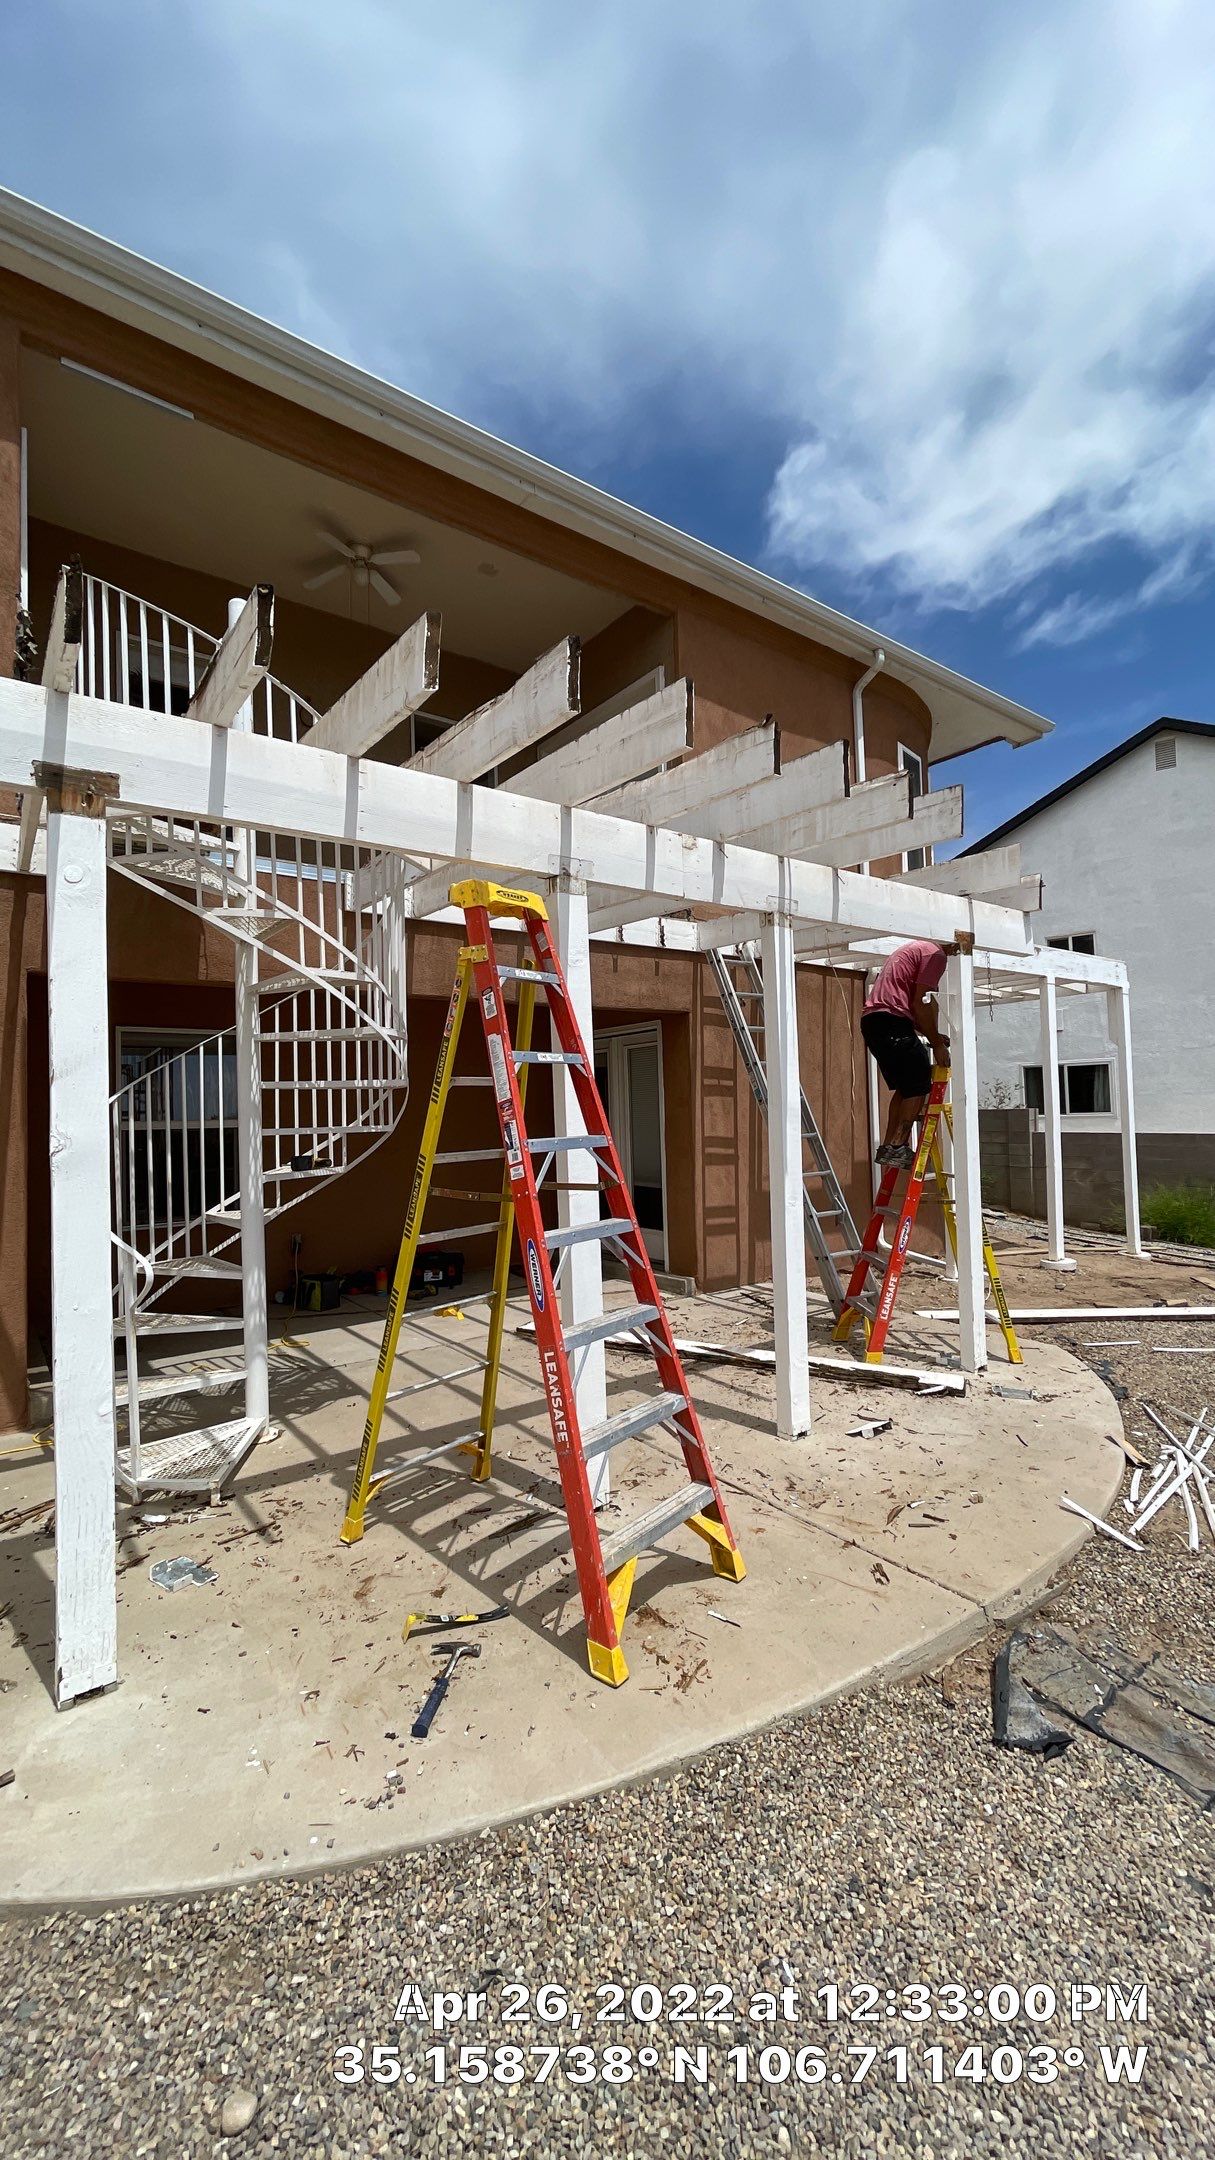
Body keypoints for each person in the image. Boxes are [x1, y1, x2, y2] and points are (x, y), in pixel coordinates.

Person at [860, 939, 955, 1169]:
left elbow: (910, 1008)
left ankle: (889, 1147)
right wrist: (937, 1044)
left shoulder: (914, 950)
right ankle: (897, 1147)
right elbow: (921, 1004)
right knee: (920, 1083)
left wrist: (932, 1034)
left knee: (906, 1087)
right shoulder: (935, 955)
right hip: (892, 1022)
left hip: (874, 1023)